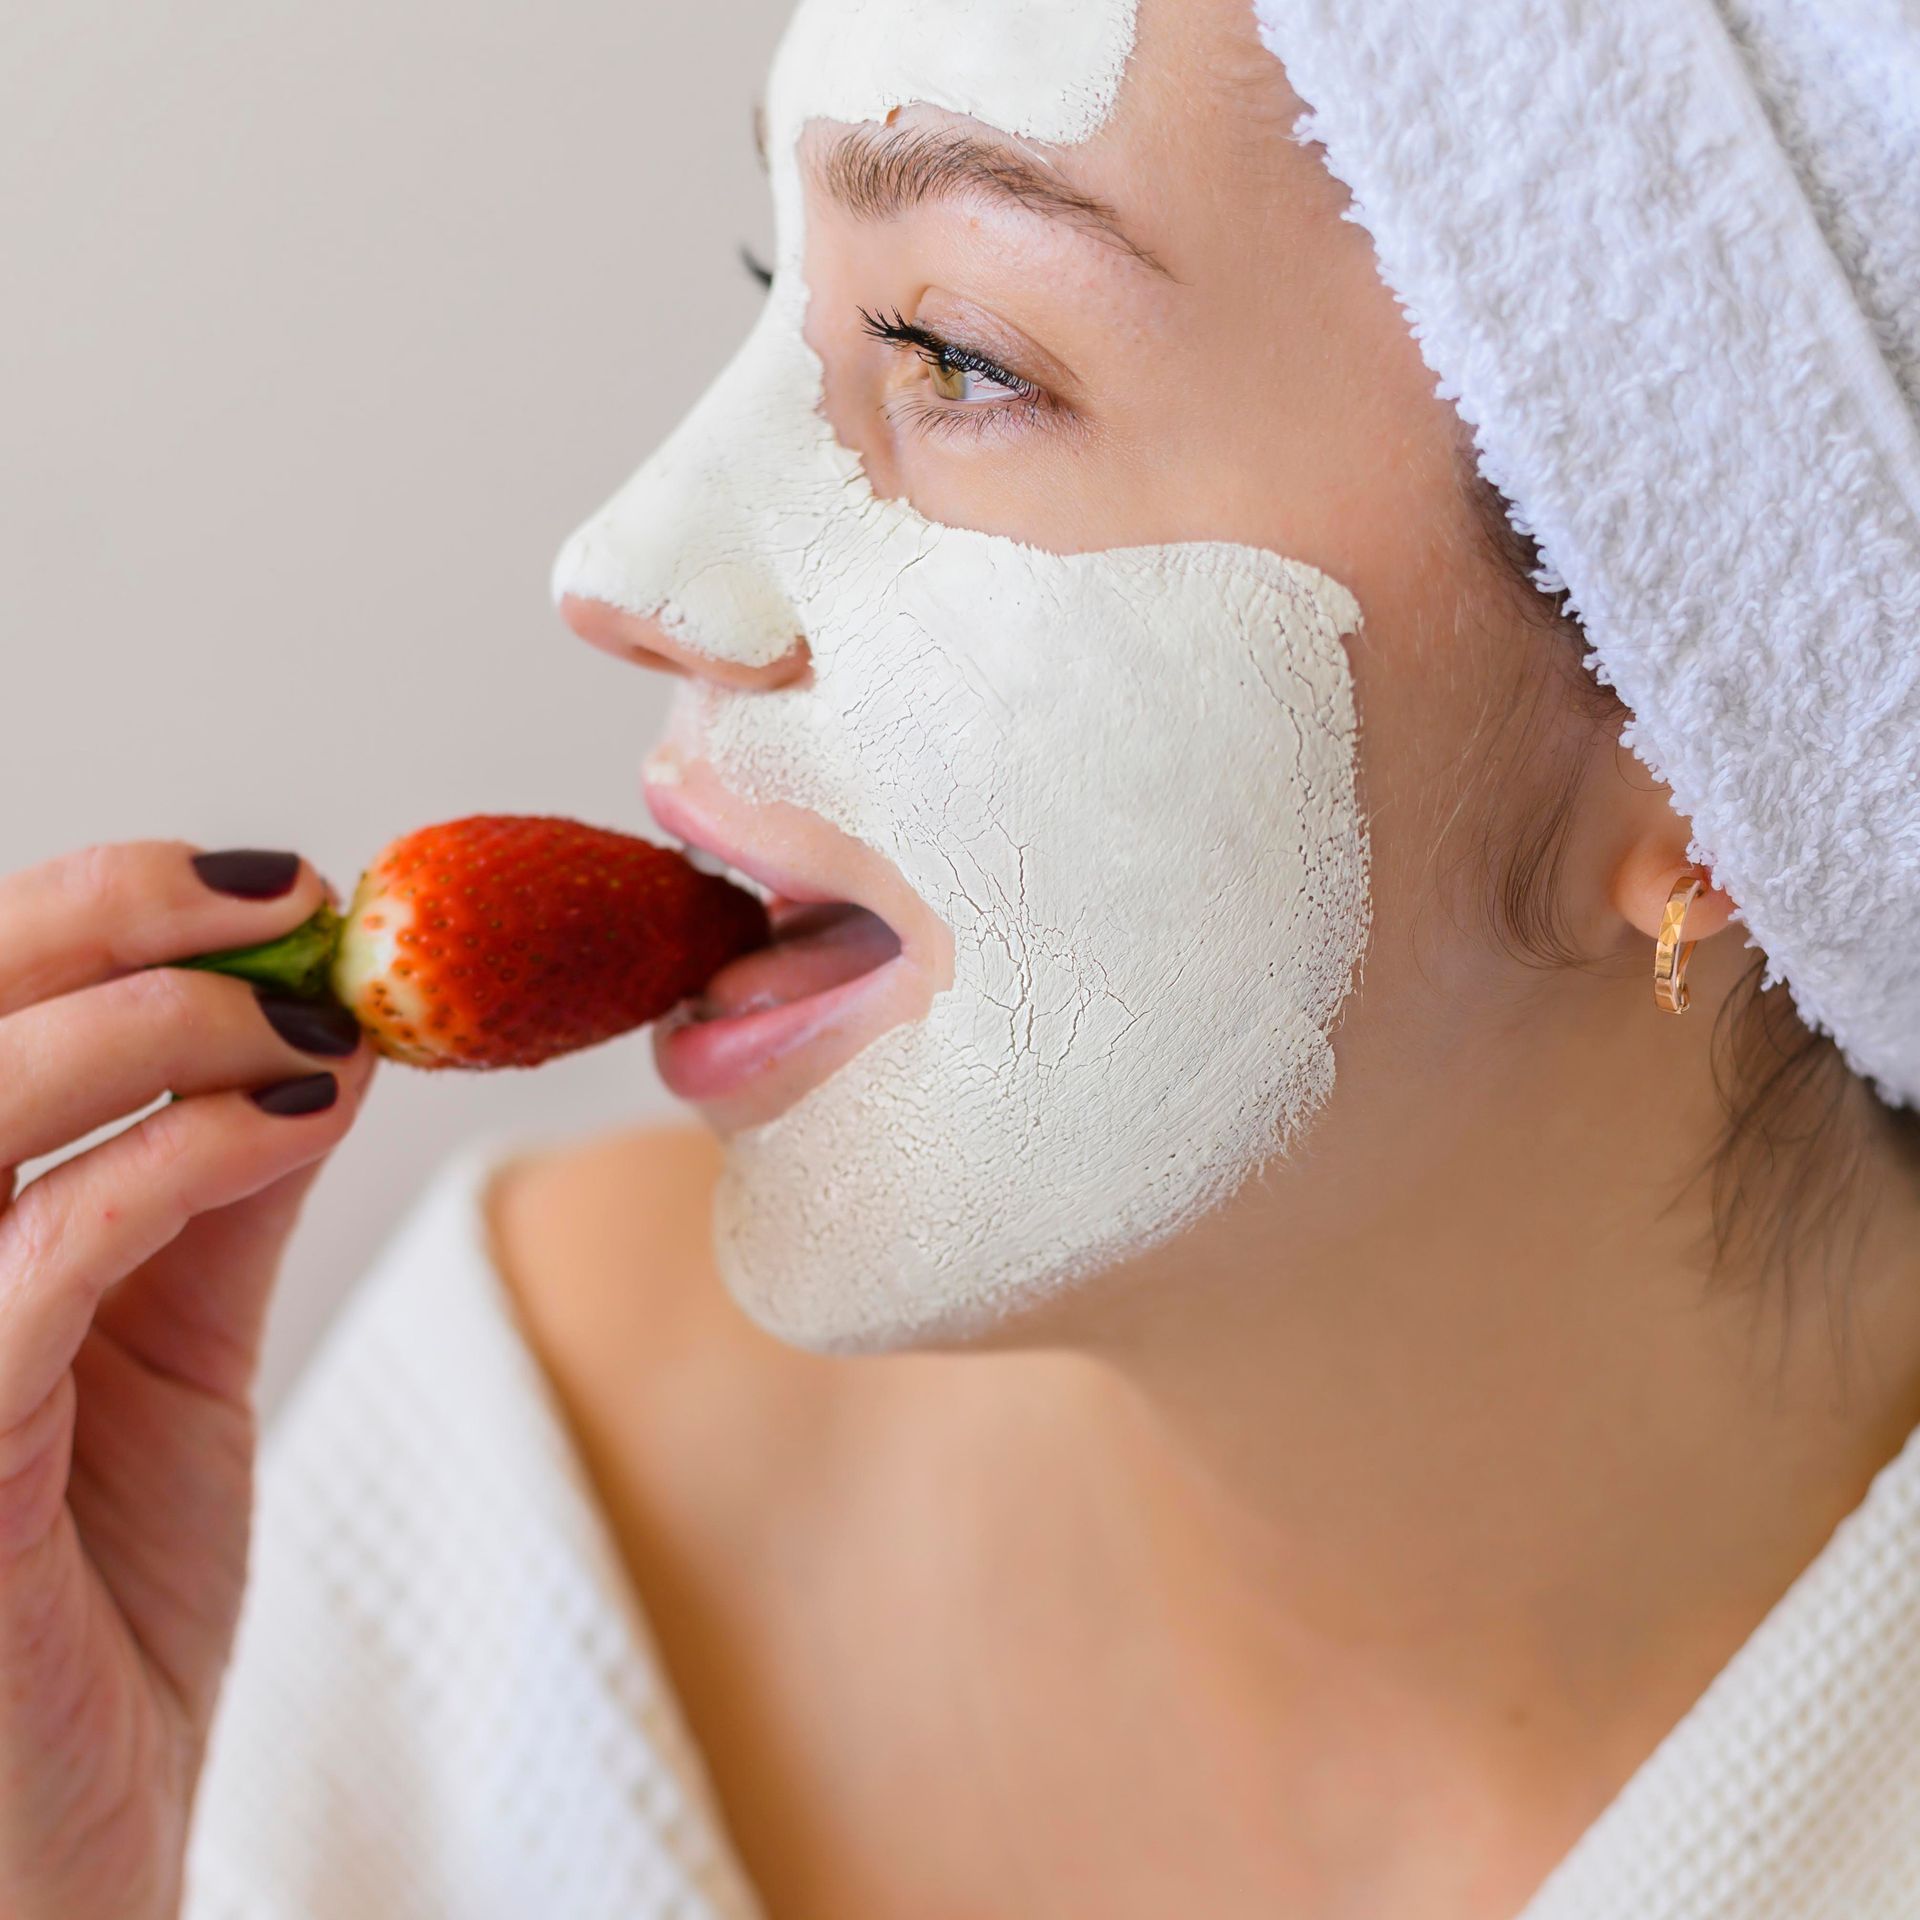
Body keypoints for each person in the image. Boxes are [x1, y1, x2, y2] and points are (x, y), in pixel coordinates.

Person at [3, 0, 1918, 1914]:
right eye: (780, 283)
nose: (623, 566)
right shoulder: (503, 1503)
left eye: (957, 353)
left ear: (1712, 729)